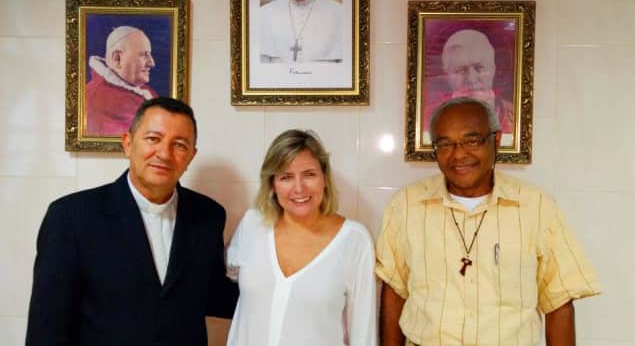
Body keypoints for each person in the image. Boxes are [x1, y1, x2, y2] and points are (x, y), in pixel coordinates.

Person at [376, 97, 600, 346]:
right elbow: (394, 292)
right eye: (445, 144)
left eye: (472, 141)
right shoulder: (406, 206)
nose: (459, 154)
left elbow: (559, 302)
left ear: (496, 140)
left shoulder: (537, 207)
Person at [26, 97, 238, 345]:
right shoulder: (71, 216)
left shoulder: (209, 215)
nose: (164, 153)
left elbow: (213, 296)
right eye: (153, 139)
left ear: (191, 156)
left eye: (179, 145)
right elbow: (46, 329)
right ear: (128, 143)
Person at [226, 129, 377, 345]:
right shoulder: (252, 224)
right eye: (286, 177)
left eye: (309, 174)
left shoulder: (355, 240)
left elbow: (363, 335)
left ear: (324, 178)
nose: (299, 188)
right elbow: (230, 275)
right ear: (272, 184)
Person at [86, 25, 159, 136]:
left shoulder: (145, 90)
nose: (152, 63)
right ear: (117, 59)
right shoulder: (96, 100)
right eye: (144, 55)